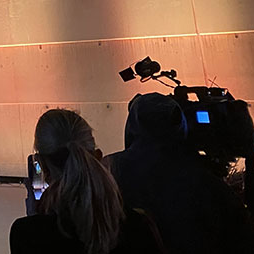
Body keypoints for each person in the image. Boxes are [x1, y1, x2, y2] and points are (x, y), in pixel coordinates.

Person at [107, 93, 254, 254]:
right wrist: (250, 155)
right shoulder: (206, 183)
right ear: (181, 125)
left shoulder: (107, 170)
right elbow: (247, 240)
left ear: (131, 126)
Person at [9, 108, 163, 254]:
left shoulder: (25, 234)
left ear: (43, 166)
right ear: (97, 157)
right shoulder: (138, 227)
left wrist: (34, 221)